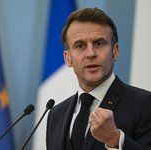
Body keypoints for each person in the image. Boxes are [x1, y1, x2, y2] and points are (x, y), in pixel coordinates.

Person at [46, 7, 151, 150]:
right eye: (80, 46)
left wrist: (116, 140)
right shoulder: (56, 114)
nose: (90, 53)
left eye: (99, 43)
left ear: (115, 51)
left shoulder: (144, 104)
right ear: (68, 58)